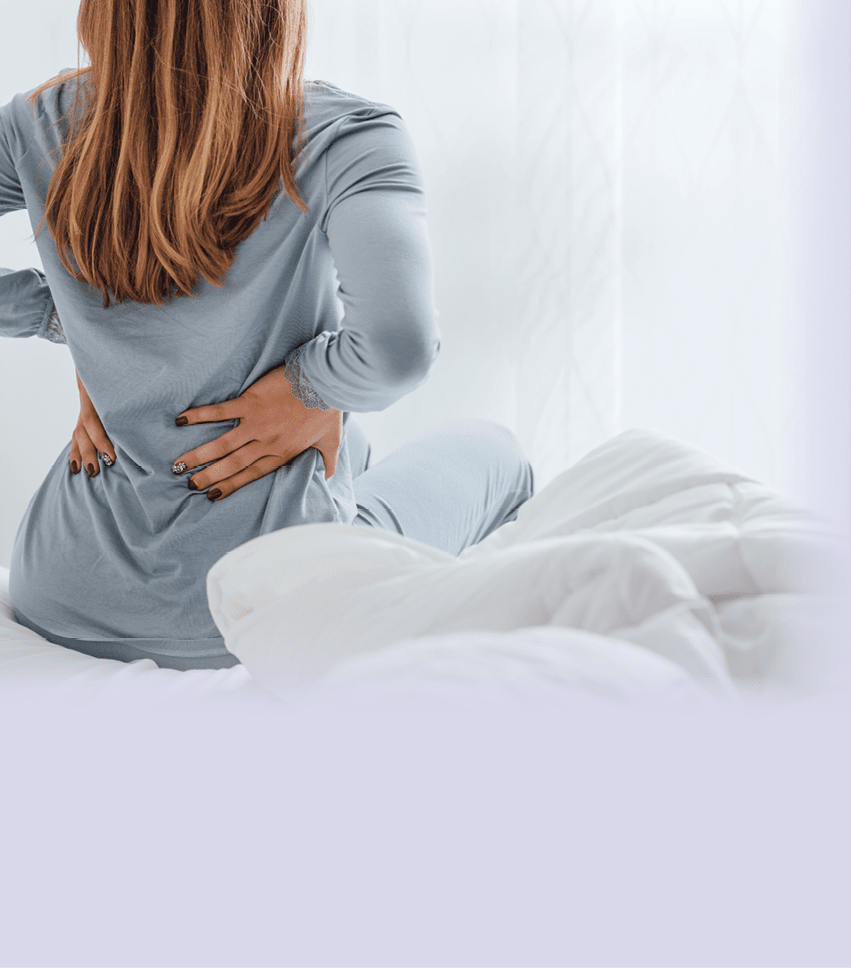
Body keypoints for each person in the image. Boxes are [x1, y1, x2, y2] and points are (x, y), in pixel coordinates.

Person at [0, 0, 534, 671]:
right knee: (499, 451)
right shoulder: (342, 135)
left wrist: (66, 319)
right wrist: (309, 388)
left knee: (354, 446)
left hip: (66, 588)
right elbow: (397, 348)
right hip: (279, 595)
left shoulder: (38, 124)